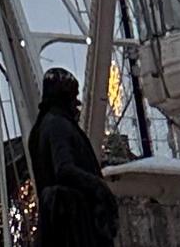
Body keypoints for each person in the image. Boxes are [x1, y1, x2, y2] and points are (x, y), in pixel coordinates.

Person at [27, 69, 119, 247]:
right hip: (73, 225)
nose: (76, 104)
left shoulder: (41, 128)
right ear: (64, 96)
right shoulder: (57, 124)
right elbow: (64, 169)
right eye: (73, 96)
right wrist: (98, 186)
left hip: (60, 224)